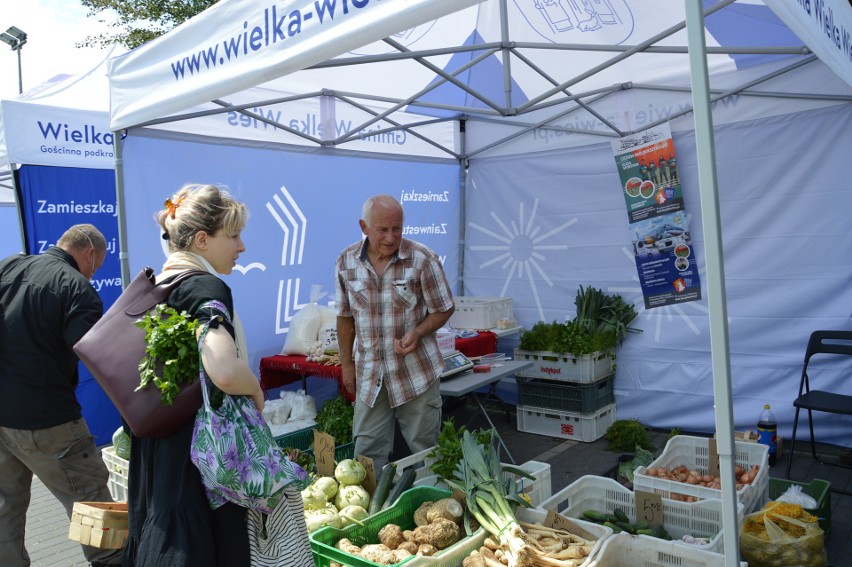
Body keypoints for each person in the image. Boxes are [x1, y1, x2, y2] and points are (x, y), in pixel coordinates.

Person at [124, 184, 311, 567]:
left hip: (163, 450)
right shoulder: (205, 287)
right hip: (204, 456)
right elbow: (224, 369)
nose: (241, 247)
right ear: (203, 240)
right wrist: (256, 389)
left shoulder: (158, 286)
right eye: (234, 235)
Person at [0, 224, 122, 567]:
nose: (93, 273)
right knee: (92, 499)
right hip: (49, 420)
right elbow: (96, 356)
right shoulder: (76, 288)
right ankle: (112, 562)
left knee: (6, 507)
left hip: (3, 417)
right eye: (95, 266)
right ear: (88, 254)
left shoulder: (8, 266)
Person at [335, 195, 455, 473]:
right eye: (382, 230)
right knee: (366, 452)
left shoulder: (422, 259)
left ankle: (432, 509)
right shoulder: (346, 262)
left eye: (397, 229)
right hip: (371, 375)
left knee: (426, 451)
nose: (391, 238)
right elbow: (344, 318)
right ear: (364, 227)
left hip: (415, 374)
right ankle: (370, 512)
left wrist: (418, 331)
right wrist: (346, 365)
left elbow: (444, 308)